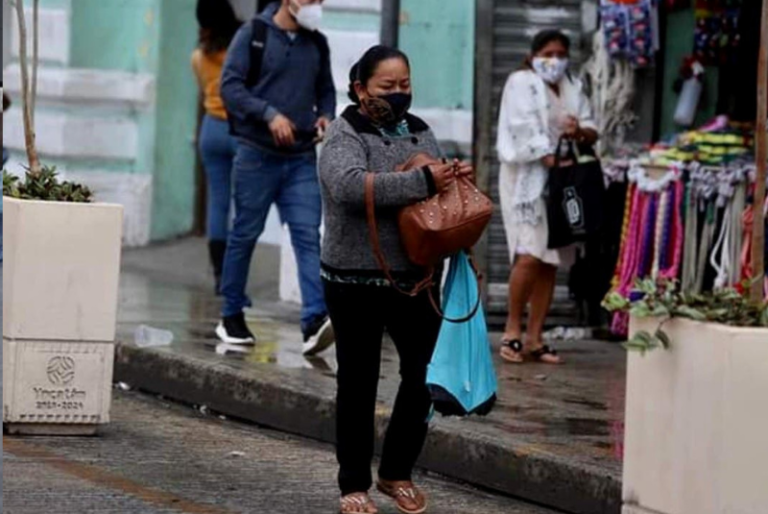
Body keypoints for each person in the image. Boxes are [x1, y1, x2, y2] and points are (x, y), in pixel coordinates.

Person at [319, 45, 472, 514]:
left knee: (425, 375)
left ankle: (397, 472)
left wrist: (452, 181)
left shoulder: (420, 129)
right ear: (360, 87)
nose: (398, 93)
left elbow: (437, 191)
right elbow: (348, 186)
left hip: (415, 276)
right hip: (353, 279)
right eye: (387, 86)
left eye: (405, 84)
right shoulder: (344, 133)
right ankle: (353, 484)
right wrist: (424, 181)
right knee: (358, 381)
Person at [217, 0, 335, 356]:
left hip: (301, 157)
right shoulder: (253, 34)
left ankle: (314, 318)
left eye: (320, 0)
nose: (316, 6)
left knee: (307, 235)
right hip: (256, 155)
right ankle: (231, 313)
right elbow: (230, 87)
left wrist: (326, 116)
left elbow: (325, 90)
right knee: (245, 233)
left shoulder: (317, 42)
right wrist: (269, 114)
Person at [496, 30, 598, 365]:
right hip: (528, 180)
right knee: (528, 254)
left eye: (561, 54)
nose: (555, 60)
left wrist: (578, 132)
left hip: (564, 180)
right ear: (533, 55)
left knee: (551, 257)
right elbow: (522, 127)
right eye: (548, 53)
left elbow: (591, 126)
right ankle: (512, 330)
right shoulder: (521, 82)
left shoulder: (572, 86)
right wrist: (549, 158)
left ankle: (535, 337)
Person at [192, 0, 241, 295]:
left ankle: (219, 275)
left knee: (217, 203)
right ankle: (235, 272)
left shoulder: (199, 56)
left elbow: (203, 89)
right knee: (244, 203)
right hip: (240, 129)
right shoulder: (242, 49)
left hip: (211, 130)